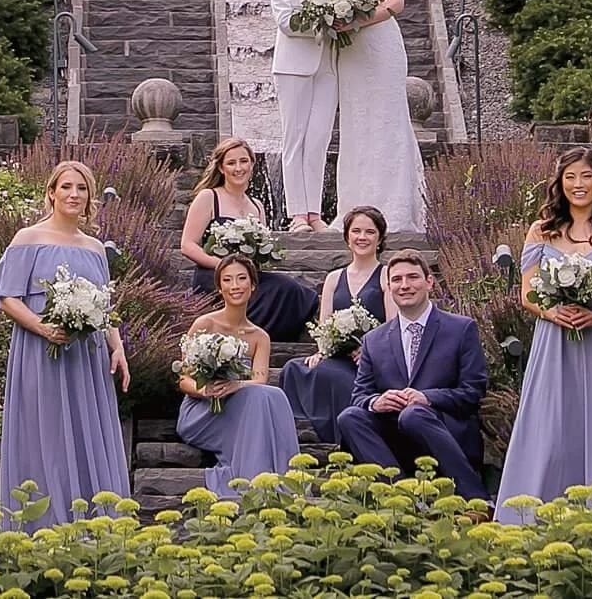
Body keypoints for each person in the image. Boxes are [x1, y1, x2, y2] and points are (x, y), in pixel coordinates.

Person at [494, 147, 592, 523]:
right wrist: (552, 311)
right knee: (550, 425)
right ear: (559, 182)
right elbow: (525, 294)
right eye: (571, 176)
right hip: (552, 341)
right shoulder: (541, 231)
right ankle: (531, 513)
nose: (579, 184)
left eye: (586, 176)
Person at [0, 158, 132, 526]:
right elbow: (7, 297)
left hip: (86, 355)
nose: (74, 194)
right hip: (40, 352)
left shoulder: (96, 248)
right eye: (66, 187)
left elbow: (104, 304)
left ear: (90, 198)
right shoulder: (28, 239)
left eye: (81, 188)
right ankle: (43, 521)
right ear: (51, 193)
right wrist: (43, 328)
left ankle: (91, 518)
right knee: (45, 432)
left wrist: (117, 347)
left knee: (87, 432)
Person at [334, 247, 489, 501]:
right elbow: (360, 395)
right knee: (350, 416)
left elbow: (473, 391)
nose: (404, 285)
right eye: (396, 279)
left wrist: (427, 398)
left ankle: (476, 499)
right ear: (388, 287)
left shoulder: (461, 329)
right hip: (393, 443)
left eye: (412, 277)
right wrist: (376, 402)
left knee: (414, 414)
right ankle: (402, 497)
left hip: (443, 432)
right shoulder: (373, 340)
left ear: (429, 282)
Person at [328, 0, 426, 233]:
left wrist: (357, 21)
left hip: (380, 45)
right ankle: (353, 211)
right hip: (351, 51)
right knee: (356, 124)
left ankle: (393, 211)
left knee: (386, 120)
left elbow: (396, 1)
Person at [175, 253, 303, 495]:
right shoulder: (204, 325)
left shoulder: (259, 337)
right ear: (219, 288)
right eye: (227, 280)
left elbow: (259, 379)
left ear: (252, 286)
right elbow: (183, 378)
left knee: (271, 395)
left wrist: (237, 386)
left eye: (241, 278)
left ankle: (281, 481)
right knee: (259, 396)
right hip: (203, 411)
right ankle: (256, 485)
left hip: (241, 406)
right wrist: (205, 390)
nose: (235, 286)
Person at [176, 136, 317, 341]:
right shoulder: (209, 197)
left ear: (252, 164)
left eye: (243, 161)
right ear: (222, 168)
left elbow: (260, 248)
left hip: (246, 276)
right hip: (214, 276)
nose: (238, 168)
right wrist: (224, 266)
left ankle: (258, 336)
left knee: (293, 291)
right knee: (273, 288)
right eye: (231, 163)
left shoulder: (257, 205)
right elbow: (187, 245)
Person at [279, 204, 388, 439]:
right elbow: (324, 326)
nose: (362, 237)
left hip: (369, 361)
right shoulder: (333, 278)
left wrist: (369, 350)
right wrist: (322, 351)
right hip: (337, 355)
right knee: (293, 369)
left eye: (369, 232)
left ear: (379, 239)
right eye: (356, 231)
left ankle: (346, 433)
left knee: (337, 377)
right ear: (347, 237)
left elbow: (392, 326)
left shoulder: (387, 275)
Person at [269, 0, 339, 229]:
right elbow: (284, 20)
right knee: (294, 138)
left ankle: (315, 212)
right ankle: (296, 213)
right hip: (293, 65)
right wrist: (321, 23)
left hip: (327, 66)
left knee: (319, 139)